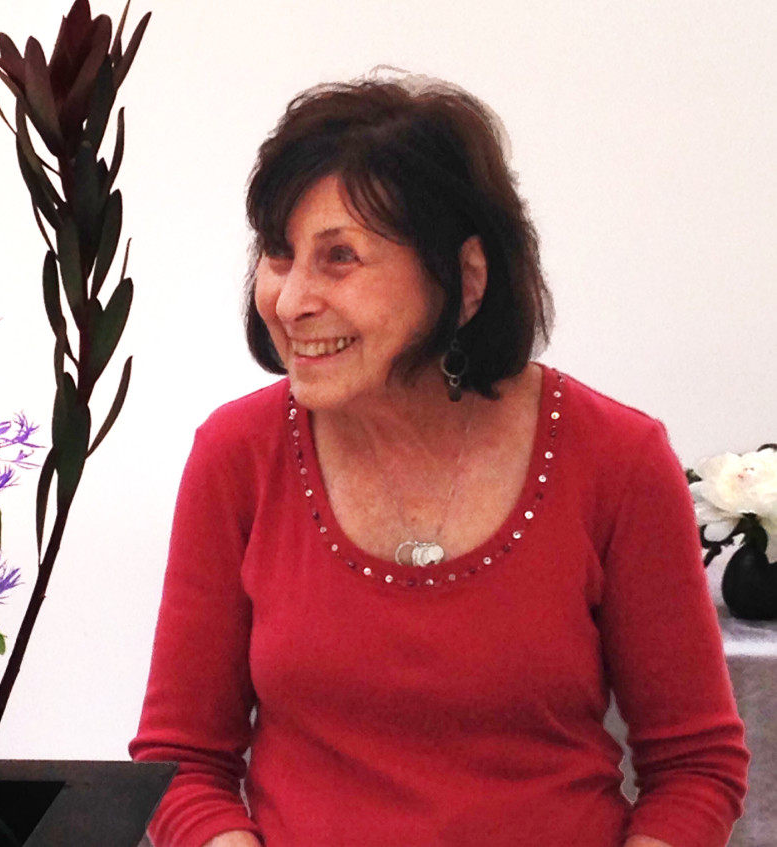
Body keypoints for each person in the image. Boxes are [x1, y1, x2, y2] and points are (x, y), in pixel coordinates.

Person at [129, 76, 749, 847]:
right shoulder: (238, 456)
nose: (290, 302)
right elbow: (182, 760)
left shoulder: (617, 458)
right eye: (280, 256)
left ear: (465, 278)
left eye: (340, 257)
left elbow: (694, 766)